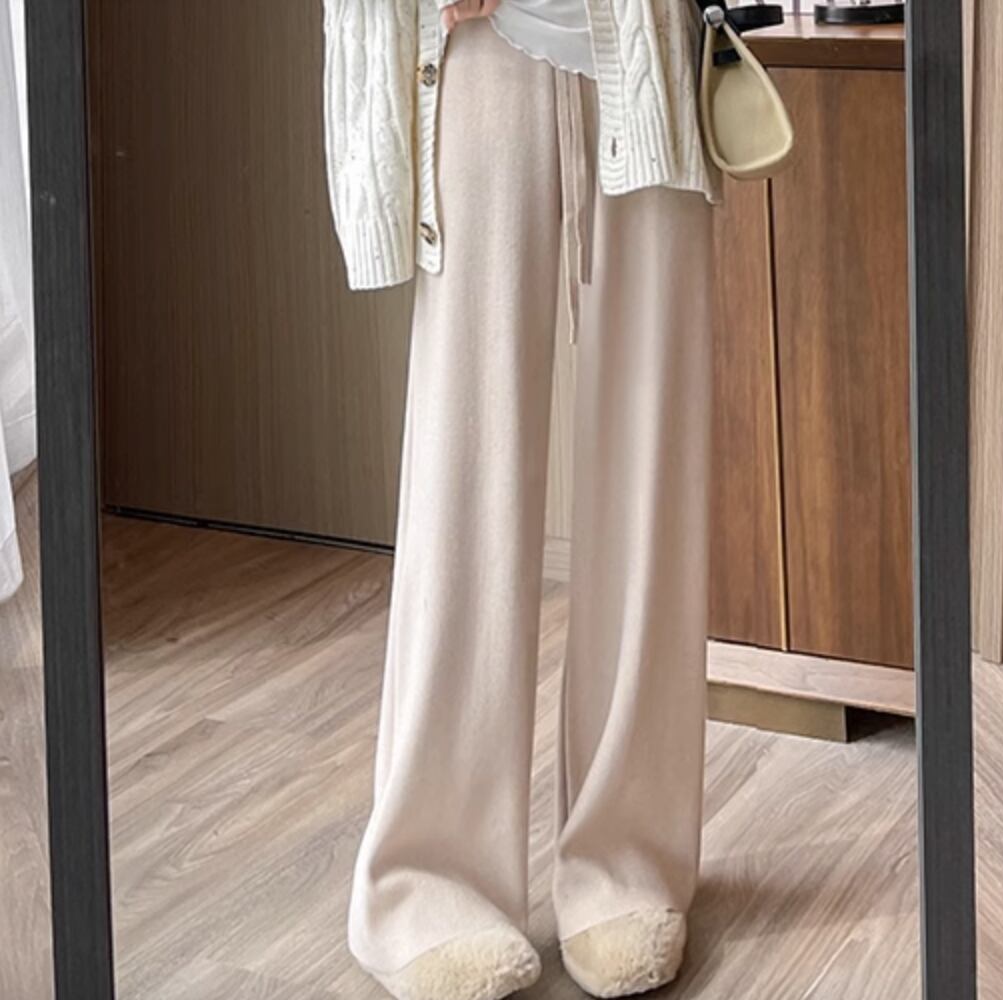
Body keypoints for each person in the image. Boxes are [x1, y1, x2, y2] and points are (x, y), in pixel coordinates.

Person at [321, 3, 723, 999]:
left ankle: (628, 861)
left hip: (644, 47)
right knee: (464, 470)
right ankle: (427, 880)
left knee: (651, 474)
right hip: (481, 52)